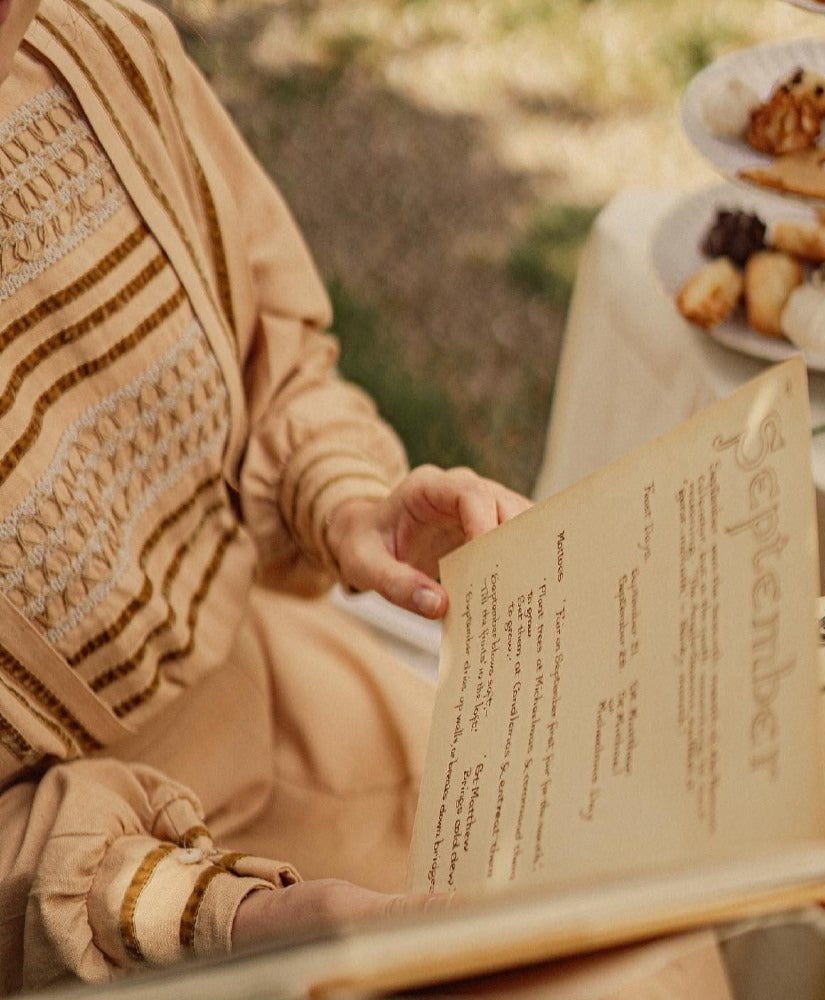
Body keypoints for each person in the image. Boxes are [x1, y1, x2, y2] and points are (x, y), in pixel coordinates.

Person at [0, 0, 532, 990]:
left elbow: (273, 364)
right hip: (70, 929)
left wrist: (344, 501)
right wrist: (221, 915)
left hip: (276, 699)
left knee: (624, 899)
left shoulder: (97, 44)